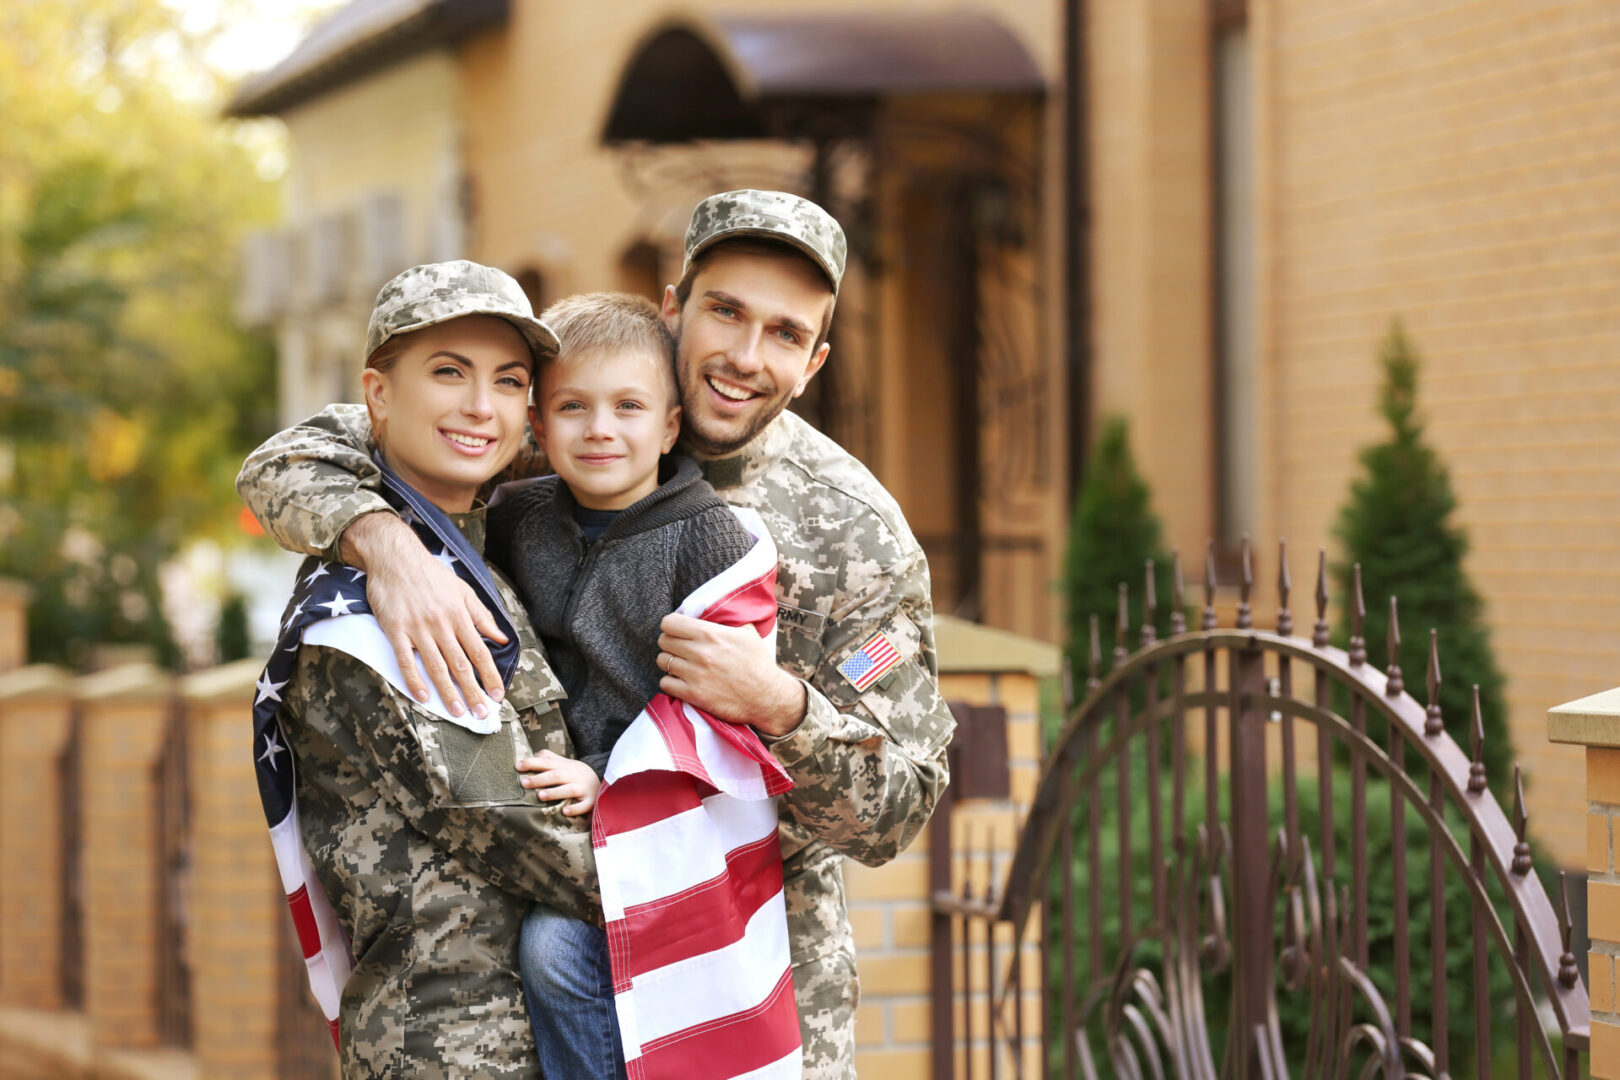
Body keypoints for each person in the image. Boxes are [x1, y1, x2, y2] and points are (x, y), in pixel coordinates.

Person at [237, 189, 957, 1078]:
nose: (743, 355)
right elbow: (300, 456)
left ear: (814, 361)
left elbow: (897, 809)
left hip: (744, 982)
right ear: (673, 308)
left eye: (784, 333)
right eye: (724, 311)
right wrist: (385, 542)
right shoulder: (567, 424)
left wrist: (780, 704)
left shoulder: (856, 532)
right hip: (538, 982)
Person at [250, 261, 600, 1078]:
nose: (482, 406)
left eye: (510, 382)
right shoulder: (380, 621)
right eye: (449, 373)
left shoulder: (466, 549)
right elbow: (526, 829)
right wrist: (743, 852)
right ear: (377, 395)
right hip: (453, 1047)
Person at [489, 291, 765, 1079]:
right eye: (572, 406)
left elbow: (715, 718)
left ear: (669, 426)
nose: (600, 428)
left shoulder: (708, 538)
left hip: (666, 820)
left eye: (628, 405)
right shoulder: (517, 515)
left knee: (557, 951)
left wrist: (609, 777)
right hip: (545, 809)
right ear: (537, 425)